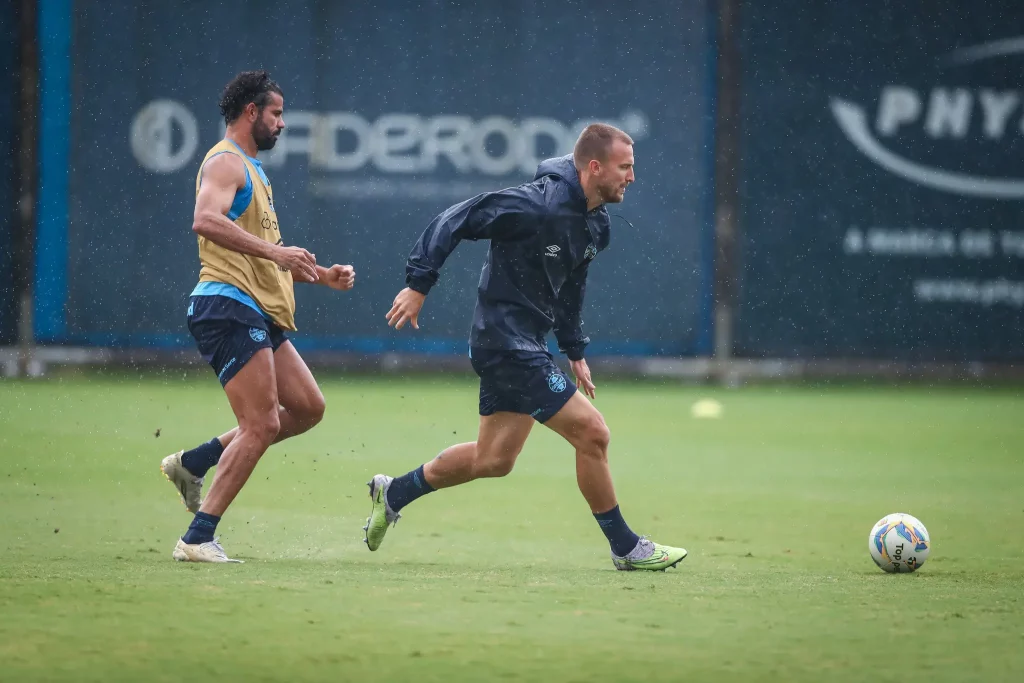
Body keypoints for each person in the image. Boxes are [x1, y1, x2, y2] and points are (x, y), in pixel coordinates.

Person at [364, 123, 687, 571]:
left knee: (494, 459)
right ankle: (626, 548)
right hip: (503, 343)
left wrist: (574, 349)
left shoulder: (597, 226)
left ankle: (393, 492)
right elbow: (456, 218)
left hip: (525, 344)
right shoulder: (535, 204)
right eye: (625, 167)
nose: (631, 177)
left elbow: (571, 287)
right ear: (594, 167)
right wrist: (419, 283)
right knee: (592, 433)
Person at [160, 70, 355, 563]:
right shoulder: (226, 162)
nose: (282, 123)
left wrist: (320, 275)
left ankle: (195, 462)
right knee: (262, 424)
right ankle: (198, 538)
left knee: (308, 407)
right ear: (251, 112)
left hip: (257, 310)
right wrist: (279, 254)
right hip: (227, 304)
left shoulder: (252, 169)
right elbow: (205, 221)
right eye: (276, 113)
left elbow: (267, 254)